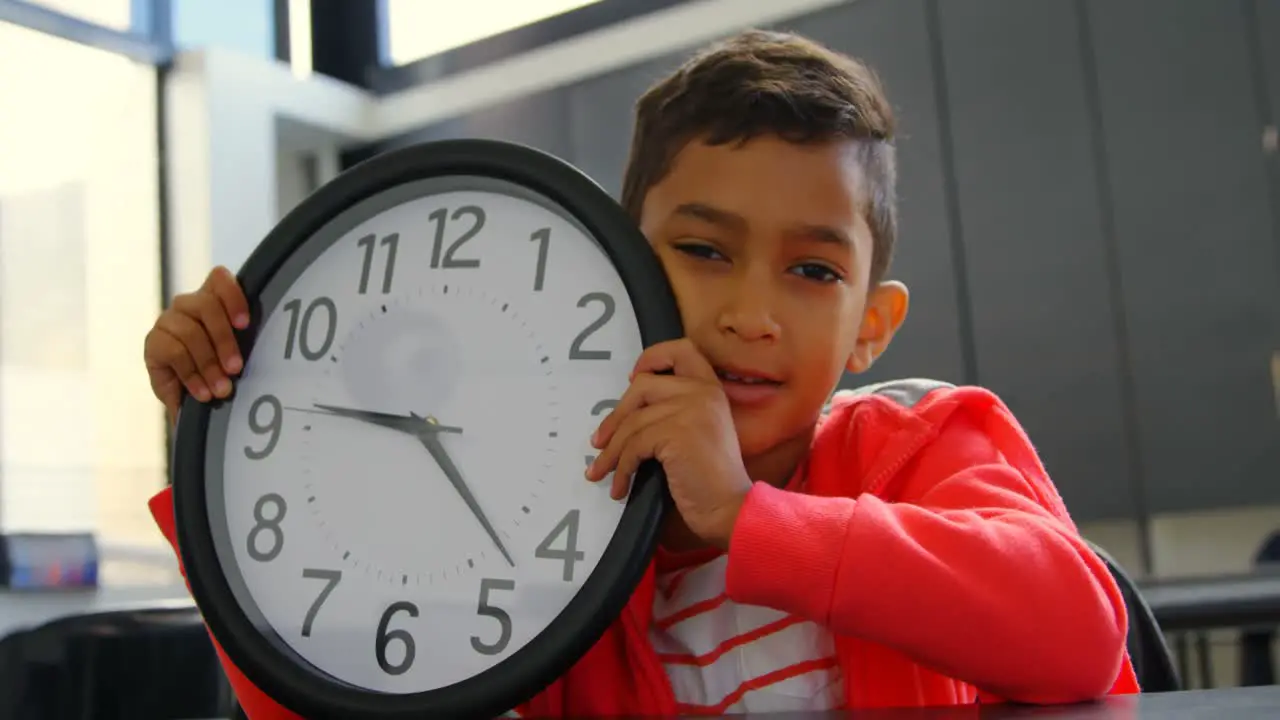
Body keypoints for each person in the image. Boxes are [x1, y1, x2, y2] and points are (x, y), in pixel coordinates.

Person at [142, 29, 1139, 718]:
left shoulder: (921, 443)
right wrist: (217, 440)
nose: (748, 313)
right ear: (612, 264)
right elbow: (347, 695)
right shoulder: (539, 513)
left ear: (869, 326)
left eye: (810, 270)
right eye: (702, 251)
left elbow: (1078, 636)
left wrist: (750, 519)